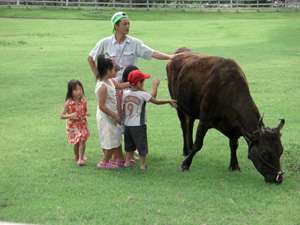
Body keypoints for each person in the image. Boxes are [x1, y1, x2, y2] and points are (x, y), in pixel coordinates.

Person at [88, 11, 176, 81]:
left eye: (128, 23)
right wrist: (98, 76)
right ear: (116, 26)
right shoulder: (104, 42)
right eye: (124, 24)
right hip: (111, 86)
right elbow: (90, 59)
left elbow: (153, 53)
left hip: (128, 85)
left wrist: (171, 57)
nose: (127, 26)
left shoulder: (135, 43)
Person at [123, 69, 177, 170]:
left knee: (129, 145)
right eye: (143, 81)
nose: (144, 83)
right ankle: (143, 165)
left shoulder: (125, 93)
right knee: (141, 145)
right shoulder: (143, 94)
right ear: (139, 83)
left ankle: (127, 161)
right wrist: (166, 98)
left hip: (127, 125)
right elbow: (155, 100)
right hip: (139, 125)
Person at [95, 55, 129, 169]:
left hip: (112, 115)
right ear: (107, 71)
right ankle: (104, 162)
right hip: (106, 116)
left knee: (116, 137)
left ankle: (119, 159)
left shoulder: (110, 81)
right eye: (114, 69)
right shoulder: (103, 86)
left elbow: (119, 86)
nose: (116, 71)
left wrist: (132, 82)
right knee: (110, 139)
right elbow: (102, 106)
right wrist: (115, 115)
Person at [60, 80, 90, 166]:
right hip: (73, 126)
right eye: (75, 90)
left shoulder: (84, 101)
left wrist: (86, 114)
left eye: (80, 89)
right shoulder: (68, 103)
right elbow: (61, 116)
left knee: (82, 139)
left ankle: (81, 158)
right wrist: (70, 115)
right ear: (71, 91)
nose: (78, 92)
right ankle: (77, 156)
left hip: (82, 124)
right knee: (77, 142)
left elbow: (84, 112)